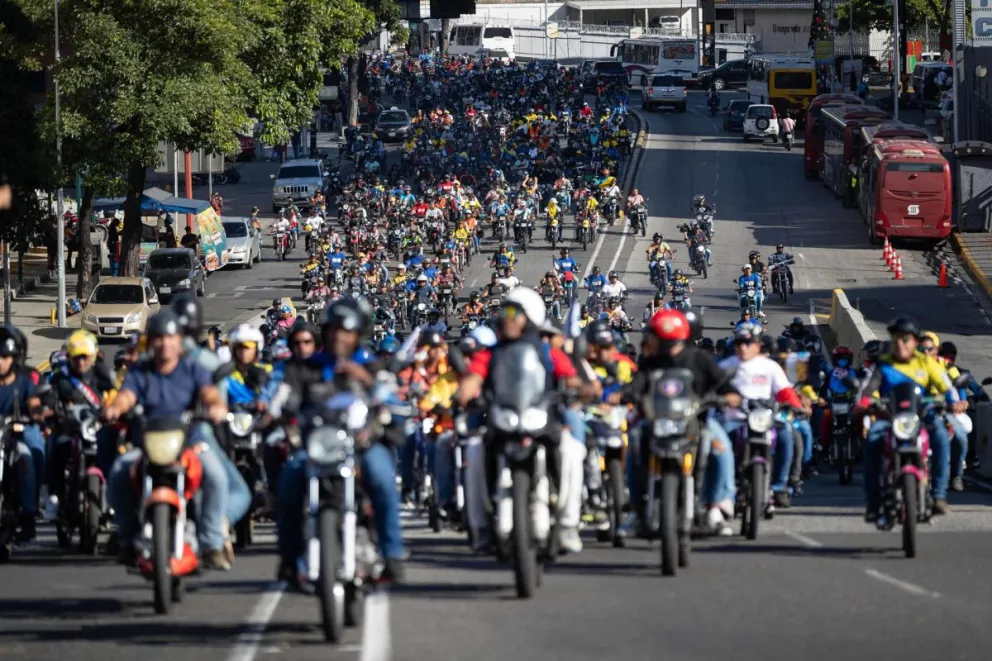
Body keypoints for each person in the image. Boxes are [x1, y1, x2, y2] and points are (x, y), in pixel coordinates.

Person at [271, 298, 407, 585]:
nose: (338, 336)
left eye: (345, 330)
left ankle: (392, 554)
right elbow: (285, 398)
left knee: (383, 479)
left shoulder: (372, 364)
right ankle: (288, 558)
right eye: (332, 329)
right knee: (288, 484)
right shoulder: (305, 367)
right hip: (316, 447)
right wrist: (278, 412)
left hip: (362, 445)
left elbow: (393, 397)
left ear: (358, 334)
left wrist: (368, 381)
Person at [456, 287, 598, 553]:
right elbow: (473, 377)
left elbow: (573, 377)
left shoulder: (548, 353)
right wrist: (464, 393)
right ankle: (481, 527)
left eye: (513, 313)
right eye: (504, 312)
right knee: (474, 452)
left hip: (543, 420)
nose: (506, 318)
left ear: (531, 318)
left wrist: (584, 387)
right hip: (502, 421)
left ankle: (568, 523)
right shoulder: (491, 353)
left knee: (572, 451)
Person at [104, 310, 241, 570]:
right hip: (147, 445)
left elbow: (209, 392)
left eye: (170, 337)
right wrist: (116, 407)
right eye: (159, 337)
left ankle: (211, 543)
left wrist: (215, 406)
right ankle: (127, 535)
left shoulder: (193, 368)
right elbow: (127, 395)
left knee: (216, 476)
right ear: (151, 341)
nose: (165, 343)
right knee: (120, 470)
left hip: (188, 445)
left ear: (179, 340)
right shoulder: (140, 371)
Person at [622, 309, 741, 536]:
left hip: (697, 421)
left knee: (719, 447)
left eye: (655, 337)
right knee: (635, 443)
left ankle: (717, 506)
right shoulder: (651, 361)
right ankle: (636, 510)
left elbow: (724, 385)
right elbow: (637, 383)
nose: (650, 341)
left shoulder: (700, 359)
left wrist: (730, 396)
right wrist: (623, 393)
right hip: (657, 421)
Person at [854, 317, 964, 520]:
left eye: (905, 339)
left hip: (922, 417)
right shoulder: (883, 365)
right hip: (890, 419)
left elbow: (947, 388)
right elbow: (867, 390)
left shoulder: (927, 363)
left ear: (915, 342)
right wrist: (864, 403)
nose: (900, 343)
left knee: (940, 435)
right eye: (896, 338)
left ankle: (939, 495)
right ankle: (873, 501)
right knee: (872, 442)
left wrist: (954, 403)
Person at [719, 322, 803, 509]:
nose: (743, 347)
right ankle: (721, 492)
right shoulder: (725, 367)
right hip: (734, 419)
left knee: (786, 434)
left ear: (758, 345)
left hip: (764, 418)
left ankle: (779, 487)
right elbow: (709, 390)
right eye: (739, 343)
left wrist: (797, 407)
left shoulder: (770, 367)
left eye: (748, 343)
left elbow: (785, 392)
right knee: (714, 441)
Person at [46, 330, 118, 524]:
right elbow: (49, 397)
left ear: (92, 356)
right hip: (70, 429)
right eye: (76, 358)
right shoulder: (61, 378)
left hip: (97, 428)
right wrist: (53, 410)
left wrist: (113, 408)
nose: (81, 362)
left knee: (115, 450)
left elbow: (115, 394)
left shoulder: (101, 373)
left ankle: (114, 499)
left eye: (85, 358)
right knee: (56, 447)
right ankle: (54, 497)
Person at [0, 328, 44, 541]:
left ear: (14, 358)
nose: (0, 362)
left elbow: (34, 405)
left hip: (14, 436)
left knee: (27, 456)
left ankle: (28, 513)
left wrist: (37, 415)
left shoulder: (24, 382)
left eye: (4, 357)